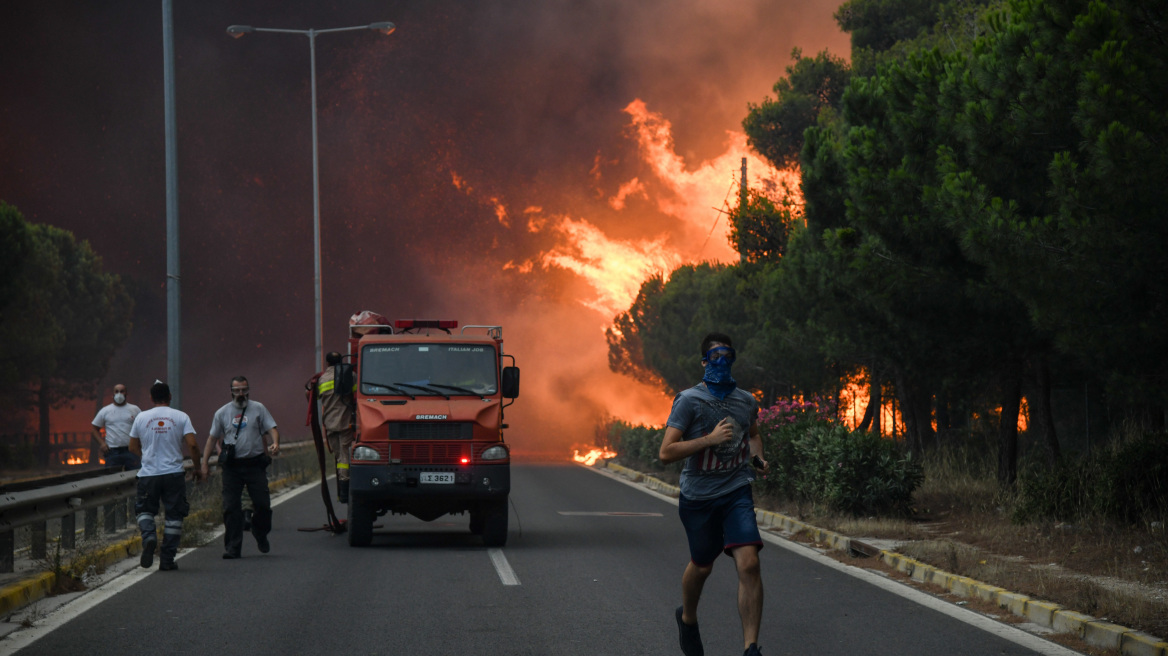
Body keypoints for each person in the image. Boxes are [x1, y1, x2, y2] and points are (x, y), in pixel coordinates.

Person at [659, 333, 769, 656]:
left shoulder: (746, 400)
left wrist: (757, 458)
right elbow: (666, 452)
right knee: (703, 565)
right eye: (715, 356)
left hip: (736, 491)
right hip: (698, 496)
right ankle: (688, 618)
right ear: (704, 361)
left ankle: (751, 649)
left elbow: (754, 435)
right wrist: (709, 439)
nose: (722, 362)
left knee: (749, 564)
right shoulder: (688, 400)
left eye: (728, 355)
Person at [201, 375, 280, 559]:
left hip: (255, 464)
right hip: (232, 468)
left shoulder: (258, 408)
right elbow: (212, 438)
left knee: (263, 505)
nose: (241, 393)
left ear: (249, 390)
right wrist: (204, 464)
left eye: (244, 389)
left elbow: (272, 428)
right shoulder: (222, 413)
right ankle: (233, 548)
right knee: (231, 507)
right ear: (231, 391)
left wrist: (275, 443)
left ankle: (260, 532)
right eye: (237, 390)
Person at [128, 380, 203, 571]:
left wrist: (146, 456)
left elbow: (132, 447)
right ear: (170, 396)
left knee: (144, 510)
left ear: (151, 398)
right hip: (173, 475)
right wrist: (197, 468)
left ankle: (149, 537)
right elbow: (193, 446)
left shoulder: (141, 418)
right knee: (174, 516)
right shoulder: (181, 417)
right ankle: (167, 559)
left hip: (148, 474)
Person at [313, 351, 355, 503]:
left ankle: (343, 491)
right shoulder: (351, 376)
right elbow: (357, 396)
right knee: (345, 456)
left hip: (330, 424)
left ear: (328, 363)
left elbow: (312, 397)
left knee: (339, 456)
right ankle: (345, 490)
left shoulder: (321, 380)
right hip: (346, 422)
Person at [91, 383, 142, 470]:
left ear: (126, 393)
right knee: (111, 477)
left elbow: (142, 428)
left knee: (136, 476)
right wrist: (102, 444)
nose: (119, 394)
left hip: (131, 450)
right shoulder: (105, 411)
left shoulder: (135, 409)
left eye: (122, 391)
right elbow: (94, 429)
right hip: (112, 451)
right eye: (116, 391)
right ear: (113, 394)